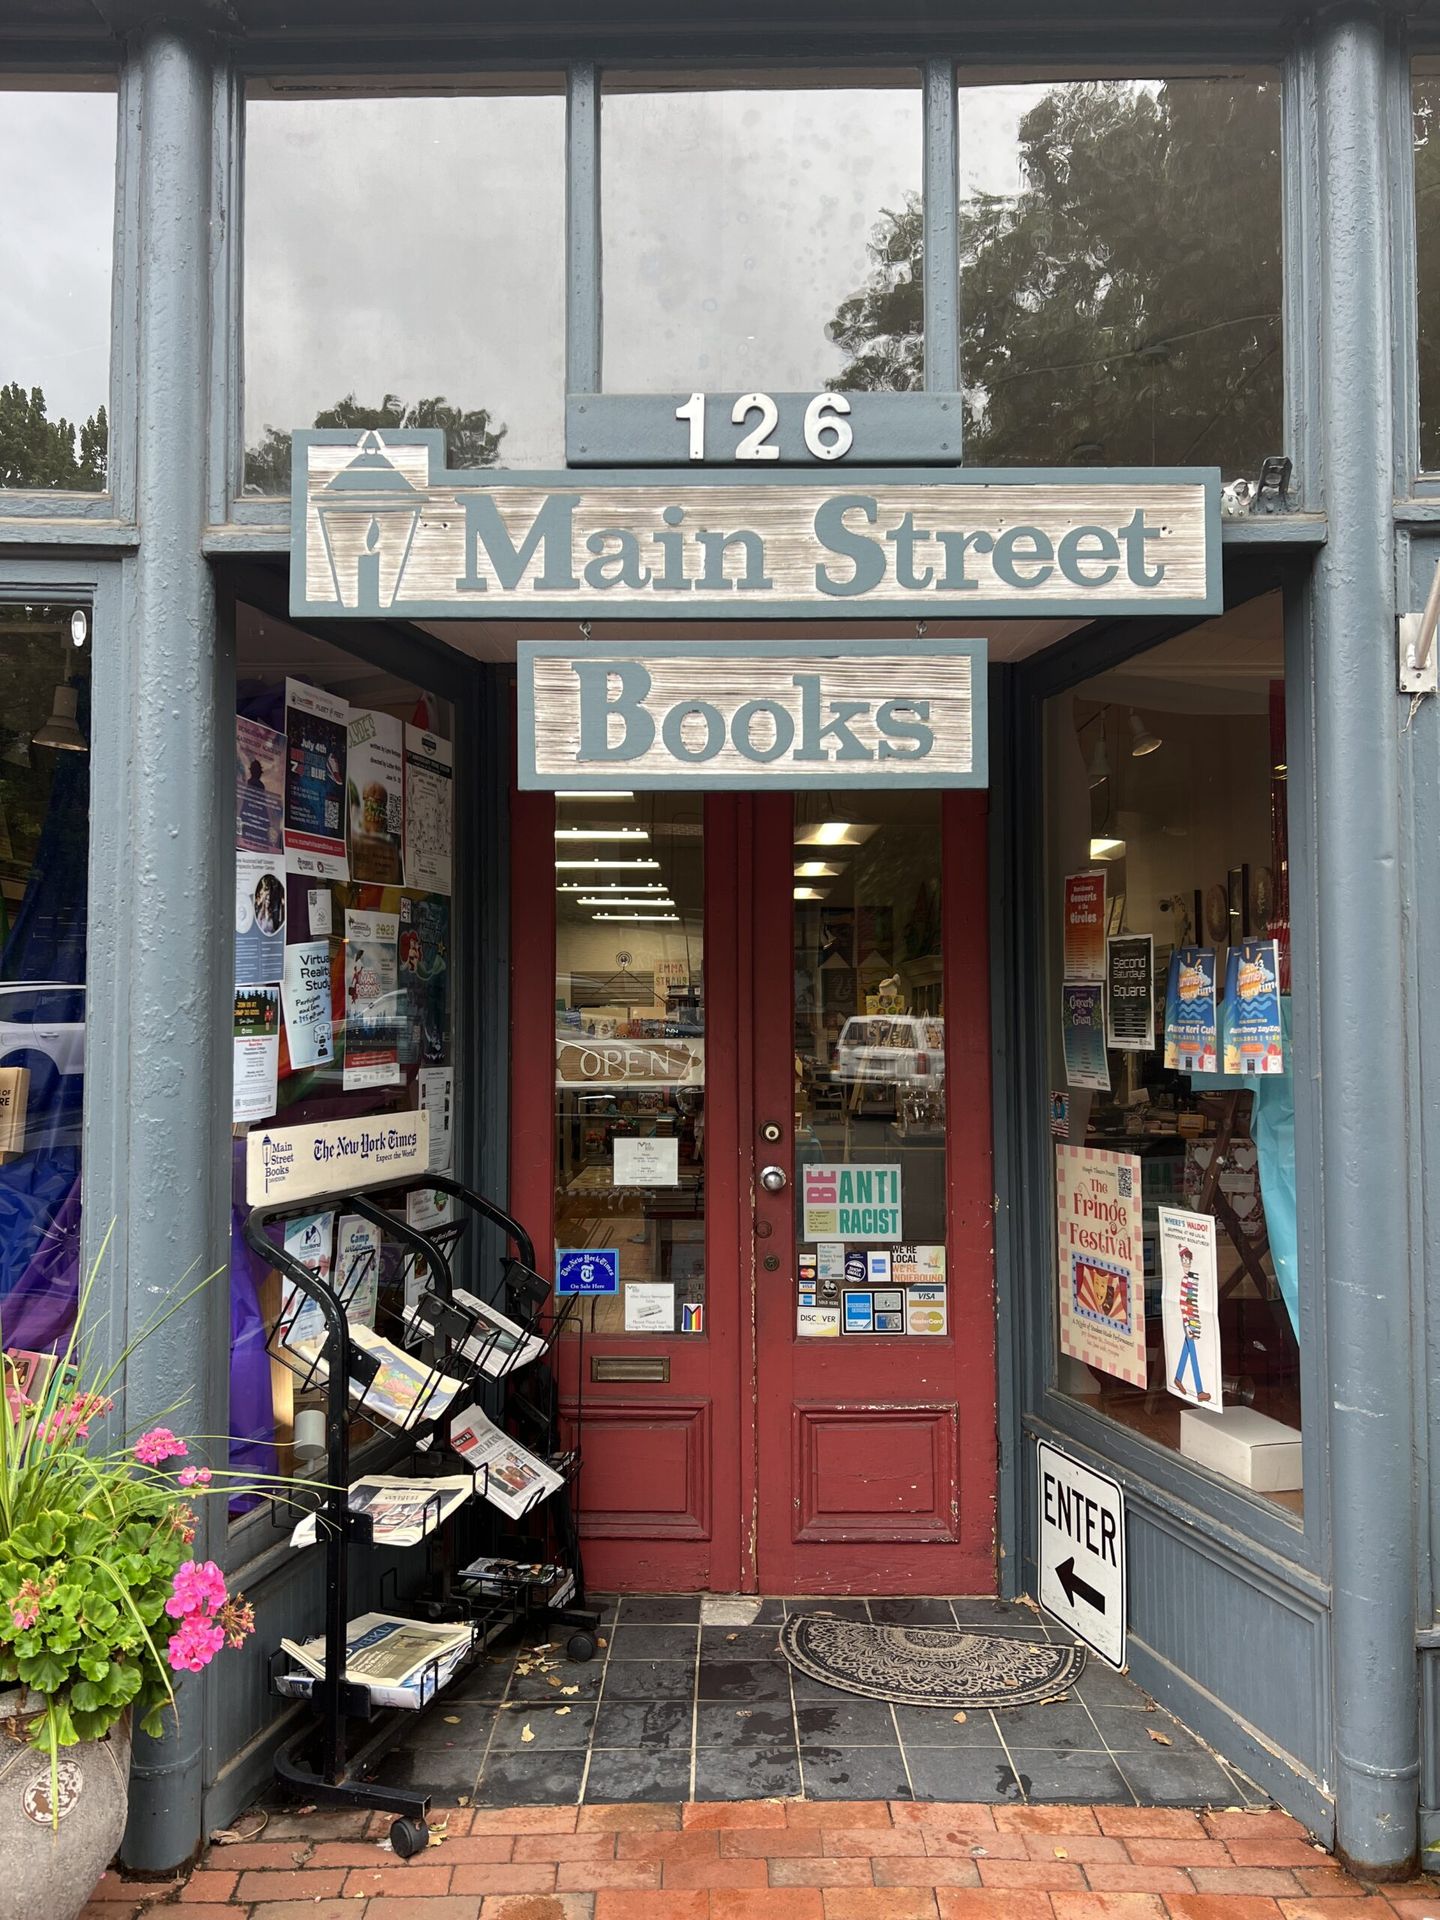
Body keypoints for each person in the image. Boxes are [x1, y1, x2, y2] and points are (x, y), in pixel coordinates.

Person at [1173, 1247, 1211, 1401]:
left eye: (1188, 1261)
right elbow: (1184, 1302)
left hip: (1192, 1317)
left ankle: (1178, 1377)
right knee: (1193, 1353)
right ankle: (1199, 1390)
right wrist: (1188, 1321)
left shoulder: (1192, 1278)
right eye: (1184, 1261)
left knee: (1187, 1350)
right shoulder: (1186, 1280)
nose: (1186, 1264)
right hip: (1188, 1319)